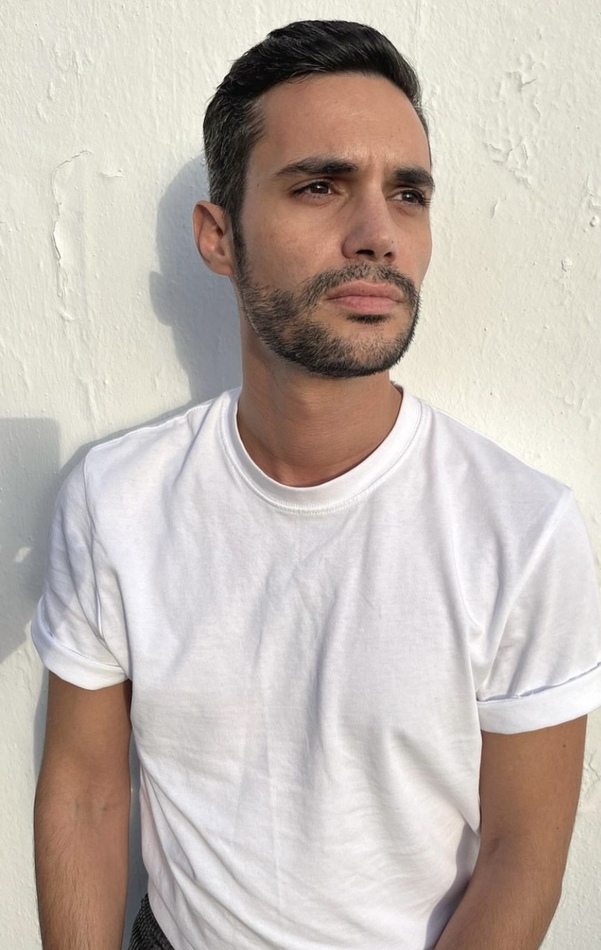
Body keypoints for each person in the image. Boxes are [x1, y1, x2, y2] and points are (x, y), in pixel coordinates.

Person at [33, 19, 601, 950]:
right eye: (319, 186)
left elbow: (521, 857)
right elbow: (87, 794)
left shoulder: (520, 529)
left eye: (407, 194)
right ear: (219, 236)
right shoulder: (117, 498)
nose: (377, 235)